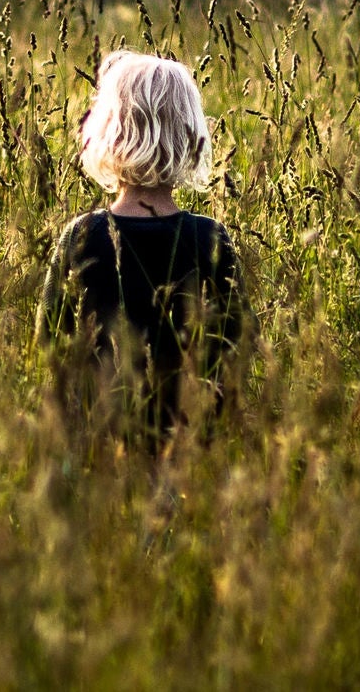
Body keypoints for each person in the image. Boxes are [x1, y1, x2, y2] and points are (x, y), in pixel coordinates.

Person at [37, 50, 243, 446]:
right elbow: (235, 352)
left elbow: (49, 347)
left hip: (96, 450)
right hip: (187, 456)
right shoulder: (210, 240)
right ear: (191, 137)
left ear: (107, 132)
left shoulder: (81, 237)